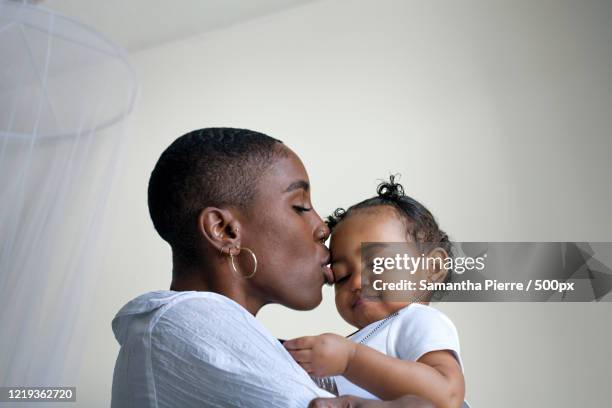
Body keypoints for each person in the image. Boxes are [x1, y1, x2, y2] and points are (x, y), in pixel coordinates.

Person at [110, 128, 434, 408]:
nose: (323, 228)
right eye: (300, 206)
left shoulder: (211, 333)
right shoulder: (188, 320)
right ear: (225, 231)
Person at [284, 176, 468, 408]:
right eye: (342, 276)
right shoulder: (354, 344)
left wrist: (349, 360)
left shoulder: (416, 319)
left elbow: (447, 395)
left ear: (432, 268)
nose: (357, 282)